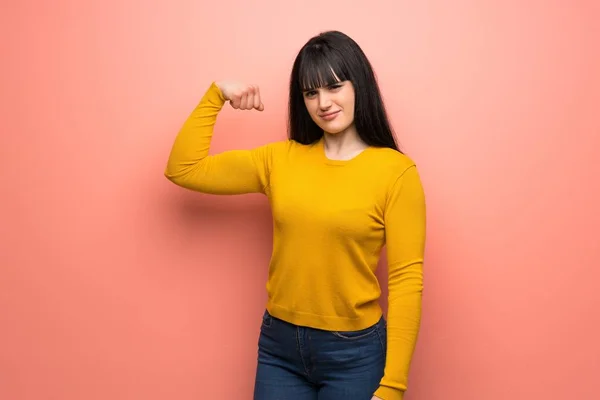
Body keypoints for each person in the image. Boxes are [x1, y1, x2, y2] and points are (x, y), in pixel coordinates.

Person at [164, 30, 426, 400]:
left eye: (335, 86)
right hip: (279, 346)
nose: (323, 102)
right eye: (310, 92)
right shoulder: (280, 161)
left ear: (359, 85)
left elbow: (405, 281)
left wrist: (393, 387)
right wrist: (217, 94)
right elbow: (183, 168)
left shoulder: (396, 173)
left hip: (354, 352)